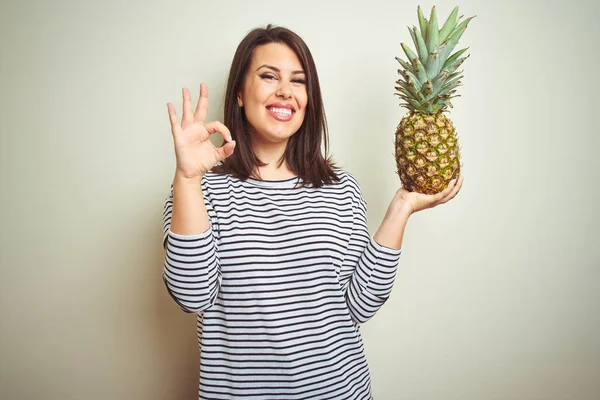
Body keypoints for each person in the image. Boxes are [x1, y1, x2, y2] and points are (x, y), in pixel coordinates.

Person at [162, 24, 462, 400]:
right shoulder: (201, 190)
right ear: (239, 92)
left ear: (309, 97)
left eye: (298, 81)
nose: (285, 91)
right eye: (268, 76)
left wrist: (401, 207)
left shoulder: (340, 188)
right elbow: (191, 296)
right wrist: (187, 179)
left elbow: (359, 304)